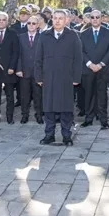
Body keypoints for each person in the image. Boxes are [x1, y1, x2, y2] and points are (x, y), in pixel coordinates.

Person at [35, 10, 83, 146]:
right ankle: (49, 135)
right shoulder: (45, 35)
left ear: (66, 20)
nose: (57, 21)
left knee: (66, 109)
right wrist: (39, 77)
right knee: (49, 108)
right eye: (55, 18)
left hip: (66, 78)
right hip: (48, 78)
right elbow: (38, 59)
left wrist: (76, 78)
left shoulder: (73, 36)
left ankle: (66, 136)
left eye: (60, 18)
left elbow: (78, 59)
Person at [79, 9, 109, 129]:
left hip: (103, 70)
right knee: (88, 94)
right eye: (92, 17)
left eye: (97, 17)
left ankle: (103, 119)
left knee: (102, 95)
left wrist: (101, 64)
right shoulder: (83, 34)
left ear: (101, 18)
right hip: (88, 70)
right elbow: (81, 51)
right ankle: (88, 118)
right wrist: (90, 64)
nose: (95, 19)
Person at [0, 11, 19, 124]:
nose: (1, 22)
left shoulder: (13, 34)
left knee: (10, 95)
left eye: (4, 20)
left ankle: (9, 116)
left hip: (8, 69)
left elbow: (16, 52)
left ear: (7, 22)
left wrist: (12, 67)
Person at [16, 15, 43, 124]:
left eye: (33, 23)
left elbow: (44, 55)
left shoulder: (42, 37)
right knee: (24, 95)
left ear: (37, 25)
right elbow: (18, 54)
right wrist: (18, 69)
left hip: (37, 72)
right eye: (29, 23)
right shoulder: (20, 37)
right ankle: (24, 115)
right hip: (24, 71)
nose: (31, 25)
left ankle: (39, 115)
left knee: (38, 95)